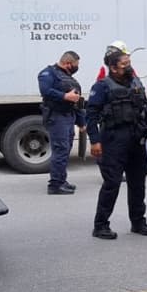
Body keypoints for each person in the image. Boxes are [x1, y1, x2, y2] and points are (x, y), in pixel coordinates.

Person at [86, 49, 147, 239]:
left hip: (136, 139)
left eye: (129, 62)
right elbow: (91, 115)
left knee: (138, 183)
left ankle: (138, 222)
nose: (129, 66)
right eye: (124, 64)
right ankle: (100, 225)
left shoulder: (136, 82)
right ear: (113, 68)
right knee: (112, 183)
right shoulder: (102, 86)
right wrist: (95, 141)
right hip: (113, 140)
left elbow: (145, 109)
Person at [38, 51, 85, 195]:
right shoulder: (47, 74)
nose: (77, 68)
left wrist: (81, 122)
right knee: (60, 149)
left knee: (65, 150)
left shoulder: (67, 77)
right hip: (57, 117)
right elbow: (45, 91)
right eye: (76, 65)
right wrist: (65, 96)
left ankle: (61, 180)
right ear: (67, 63)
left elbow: (76, 101)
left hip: (68, 116)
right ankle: (55, 185)